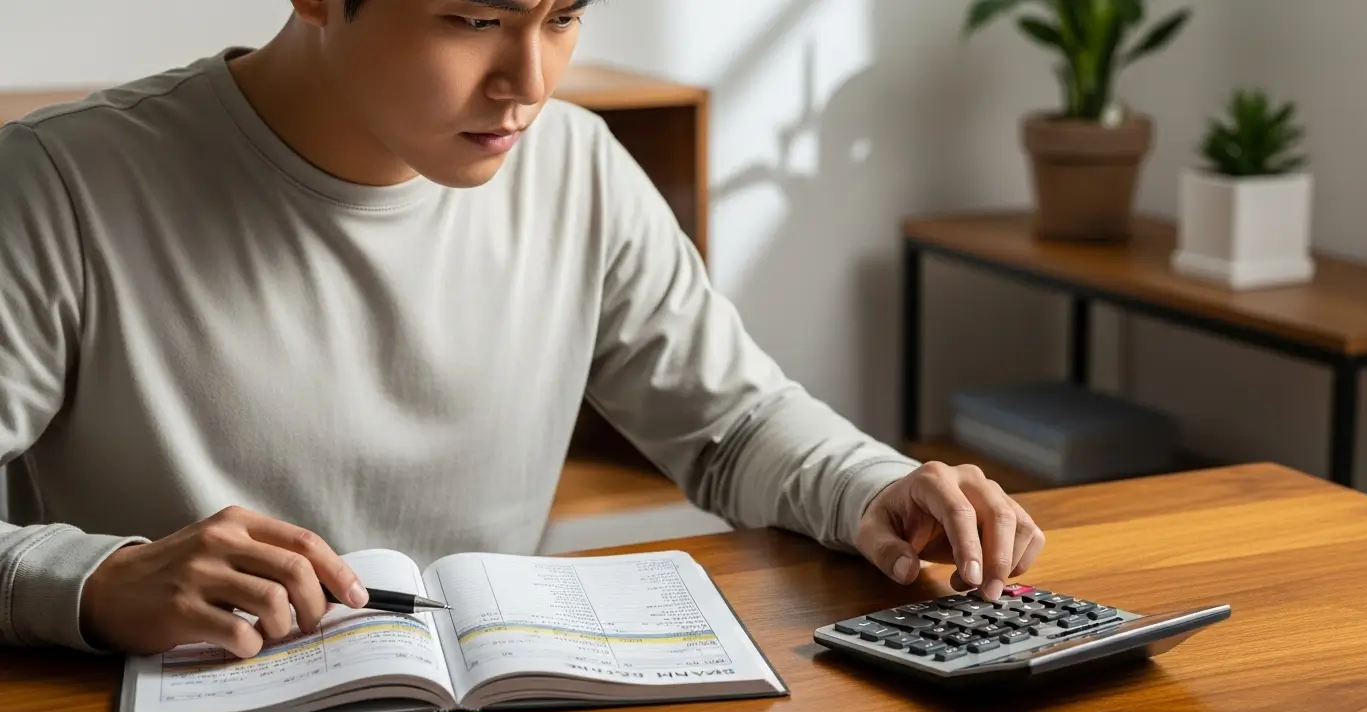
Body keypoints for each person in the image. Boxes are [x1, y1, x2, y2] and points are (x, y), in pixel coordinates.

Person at [0, 0, 1044, 660]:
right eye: (473, 20)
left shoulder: (577, 165)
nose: (530, 85)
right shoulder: (58, 186)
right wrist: (91, 581)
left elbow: (730, 421)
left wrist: (872, 484)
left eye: (563, 16)